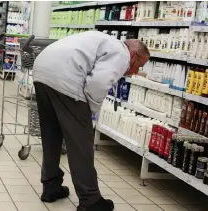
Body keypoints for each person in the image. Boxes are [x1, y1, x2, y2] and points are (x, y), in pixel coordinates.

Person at [32, 31, 150, 211]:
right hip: (66, 77)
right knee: (81, 143)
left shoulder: (104, 41)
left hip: (42, 70)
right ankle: (90, 200)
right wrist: (89, 111)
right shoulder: (122, 53)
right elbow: (98, 83)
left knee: (51, 135)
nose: (135, 72)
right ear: (133, 54)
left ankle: (51, 187)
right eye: (139, 65)